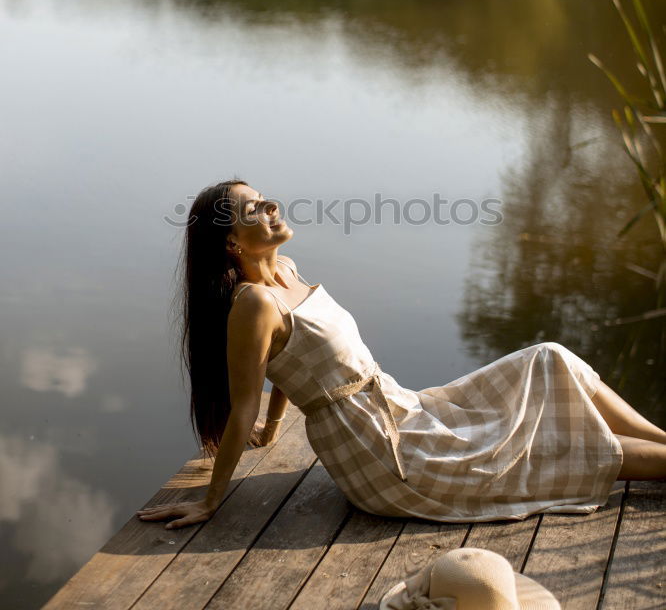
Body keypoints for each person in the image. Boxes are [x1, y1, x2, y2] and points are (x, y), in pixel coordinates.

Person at [138, 179, 666, 531]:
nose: (271, 206)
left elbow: (285, 366)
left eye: (266, 198)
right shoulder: (253, 304)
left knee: (549, 357)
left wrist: (276, 430)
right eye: (254, 209)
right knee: (557, 447)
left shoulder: (288, 270)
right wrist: (211, 500)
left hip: (399, 406)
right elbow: (244, 402)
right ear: (232, 242)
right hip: (379, 454)